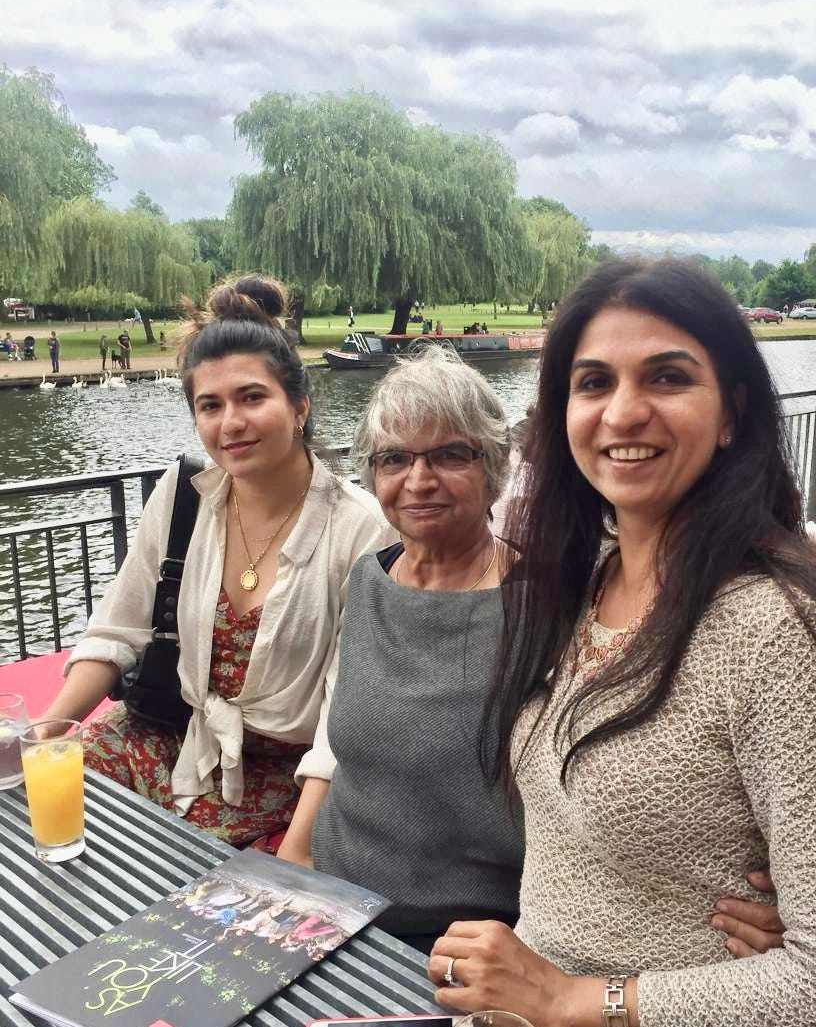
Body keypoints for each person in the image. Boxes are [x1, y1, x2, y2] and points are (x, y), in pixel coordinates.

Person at [428, 258, 816, 1026]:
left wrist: (577, 997)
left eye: (667, 378)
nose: (623, 412)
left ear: (732, 411)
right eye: (595, 382)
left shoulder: (772, 631)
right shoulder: (581, 583)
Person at [41, 274, 392, 846]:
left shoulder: (363, 528)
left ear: (299, 405)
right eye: (211, 405)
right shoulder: (184, 494)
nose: (230, 423)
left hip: (289, 775)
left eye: (252, 397)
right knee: (36, 811)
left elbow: (343, 711)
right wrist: (45, 732)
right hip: (168, 735)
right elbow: (118, 626)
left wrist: (300, 849)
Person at [278, 347, 523, 950]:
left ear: (494, 467)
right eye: (395, 459)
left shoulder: (539, 604)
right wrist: (295, 857)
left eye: (449, 454)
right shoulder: (369, 578)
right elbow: (340, 744)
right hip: (333, 899)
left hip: (466, 931)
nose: (418, 480)